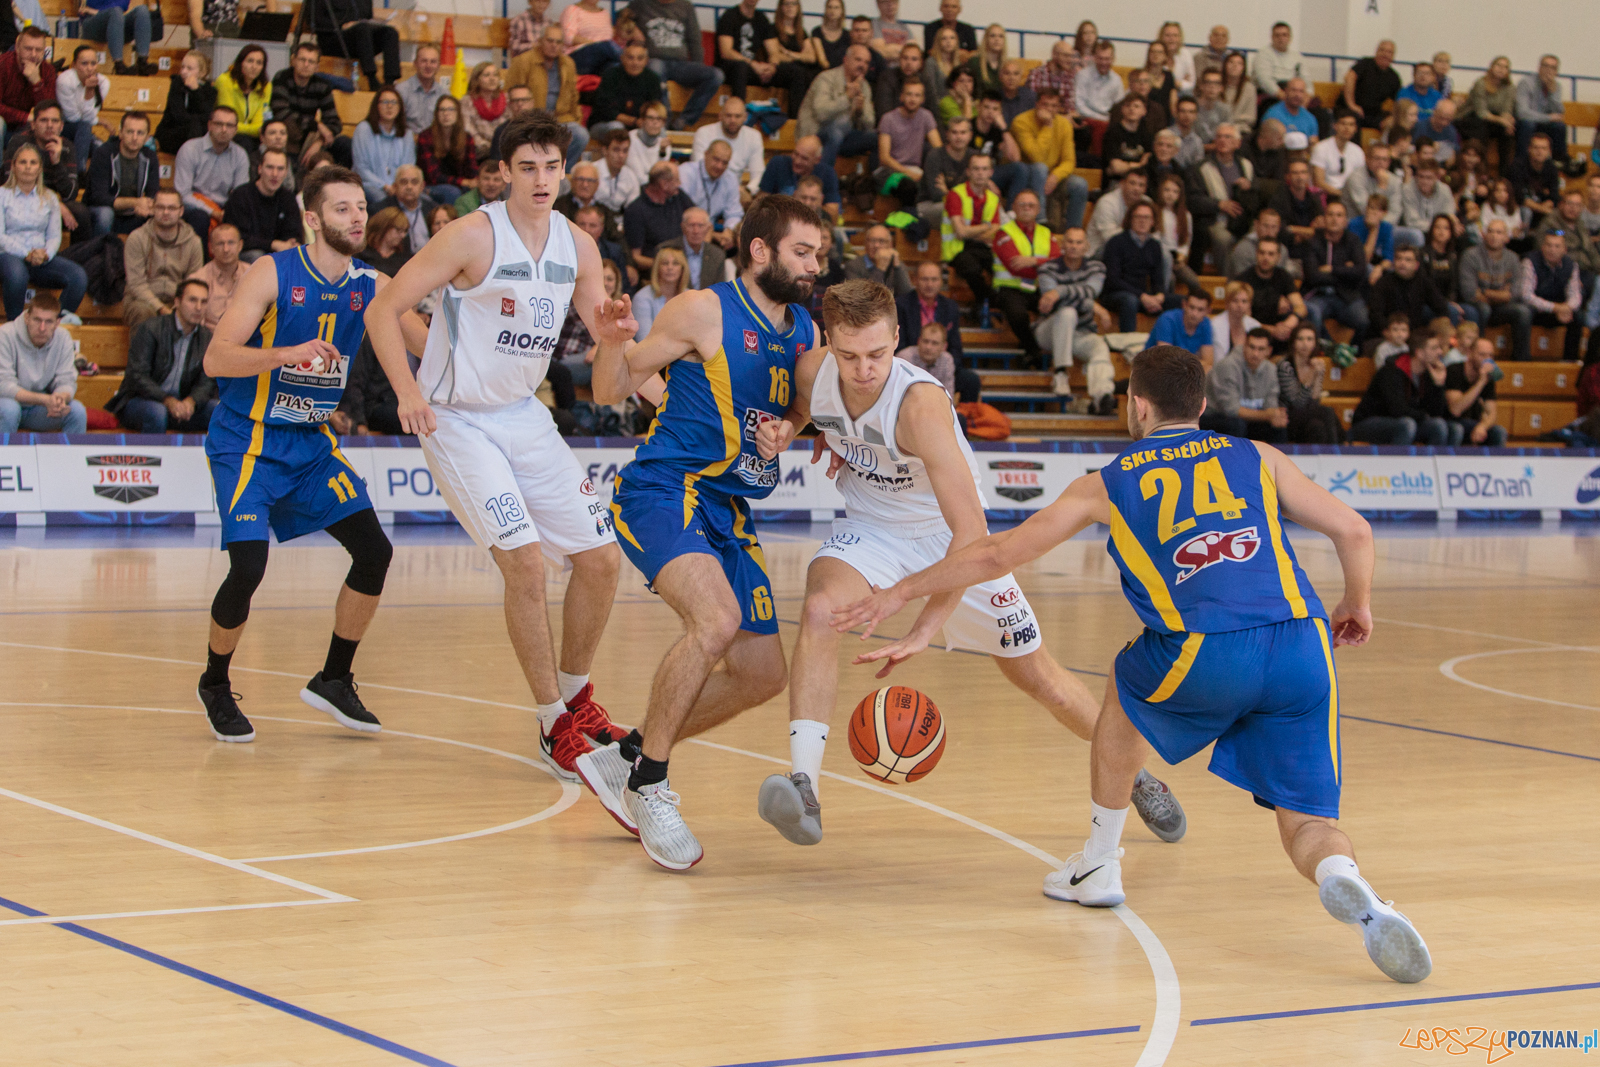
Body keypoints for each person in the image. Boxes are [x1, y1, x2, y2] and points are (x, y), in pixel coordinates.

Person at [837, 342, 1431, 984]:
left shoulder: (1106, 483)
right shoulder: (1258, 456)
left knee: (1123, 690)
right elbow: (1356, 532)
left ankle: (1098, 862)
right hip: (1303, 646)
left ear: (1136, 406)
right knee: (1310, 821)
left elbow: (993, 555)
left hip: (1205, 645)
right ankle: (1350, 883)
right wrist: (1357, 604)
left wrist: (901, 591)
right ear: (1203, 406)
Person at [757, 277, 1186, 847]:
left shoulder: (920, 406)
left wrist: (925, 624)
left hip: (953, 544)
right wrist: (795, 428)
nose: (864, 370)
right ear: (829, 342)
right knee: (819, 610)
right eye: (849, 355)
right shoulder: (813, 372)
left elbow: (971, 536)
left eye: (878, 355)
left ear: (898, 338)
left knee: (1044, 682)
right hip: (872, 530)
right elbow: (806, 404)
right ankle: (804, 785)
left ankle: (1139, 776)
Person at [365, 108, 632, 791]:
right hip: (455, 418)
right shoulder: (471, 235)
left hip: (524, 416)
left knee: (602, 561)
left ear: (565, 169)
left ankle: (574, 697)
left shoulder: (581, 247)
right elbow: (381, 310)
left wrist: (616, 337)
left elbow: (607, 367)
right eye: (527, 167)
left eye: (552, 166)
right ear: (504, 172)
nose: (542, 179)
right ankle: (552, 723)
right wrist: (407, 392)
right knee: (525, 565)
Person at [585, 195, 821, 868]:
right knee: (715, 620)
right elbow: (610, 388)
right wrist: (611, 341)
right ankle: (648, 783)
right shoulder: (702, 309)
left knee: (762, 673)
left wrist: (792, 428)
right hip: (665, 488)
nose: (813, 266)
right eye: (802, 252)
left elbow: (803, 400)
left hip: (729, 507)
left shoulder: (802, 328)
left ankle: (629, 751)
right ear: (760, 251)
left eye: (818, 255)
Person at [196, 165, 426, 743]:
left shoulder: (372, 285)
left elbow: (433, 344)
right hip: (247, 439)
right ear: (312, 217)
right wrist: (284, 353)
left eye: (360, 208)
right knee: (248, 566)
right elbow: (216, 360)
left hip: (311, 445)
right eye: (343, 208)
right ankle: (216, 684)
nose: (356, 218)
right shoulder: (271, 272)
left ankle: (334, 678)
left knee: (374, 552)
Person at [105, 277, 216, 433]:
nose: (198, 307)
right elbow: (137, 376)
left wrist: (191, 402)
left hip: (182, 406)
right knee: (157, 412)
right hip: (142, 402)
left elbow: (208, 380)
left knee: (217, 411)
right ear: (177, 302)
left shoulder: (207, 338)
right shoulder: (151, 329)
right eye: (192, 300)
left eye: (204, 302)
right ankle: (151, 458)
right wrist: (167, 400)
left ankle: (207, 458)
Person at [0, 140, 81, 322]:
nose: (28, 167)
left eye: (33, 163)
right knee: (17, 274)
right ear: (13, 167)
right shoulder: (2, 195)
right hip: (8, 256)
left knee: (77, 276)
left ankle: (55, 324)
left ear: (39, 168)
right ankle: (16, 325)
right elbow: (0, 236)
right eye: (22, 162)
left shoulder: (50, 198)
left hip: (40, 258)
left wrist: (45, 255)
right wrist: (26, 253)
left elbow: (54, 236)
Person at [1034, 226, 1112, 407]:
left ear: (1086, 246)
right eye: (1070, 241)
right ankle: (1060, 372)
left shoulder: (1097, 267)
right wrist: (1093, 306)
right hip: (1048, 331)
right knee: (1067, 312)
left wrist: (1059, 291)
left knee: (1099, 346)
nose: (1074, 246)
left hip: (1080, 332)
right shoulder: (1047, 268)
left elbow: (1091, 291)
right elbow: (1054, 302)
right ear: (1062, 244)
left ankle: (1102, 396)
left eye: (1079, 242)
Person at [627, 0, 723, 128]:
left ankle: (684, 121)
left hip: (680, 64)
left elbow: (694, 40)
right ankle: (663, 121)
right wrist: (633, 28)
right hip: (654, 59)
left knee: (716, 75)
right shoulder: (641, 3)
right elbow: (621, 16)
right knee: (655, 69)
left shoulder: (686, 6)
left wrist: (697, 67)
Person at [989, 189, 1058, 366]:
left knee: (1064, 307)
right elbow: (1015, 267)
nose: (1027, 208)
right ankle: (1033, 350)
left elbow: (1059, 264)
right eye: (1022, 204)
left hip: (1040, 289)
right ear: (1013, 208)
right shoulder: (1003, 233)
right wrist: (1044, 265)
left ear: (1038, 209)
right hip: (1010, 288)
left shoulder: (1047, 233)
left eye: (1031, 205)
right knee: (1018, 314)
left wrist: (1033, 261)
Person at [506, 25, 588, 170]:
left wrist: (577, 118)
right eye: (550, 41)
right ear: (540, 41)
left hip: (561, 118)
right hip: (533, 119)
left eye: (558, 42)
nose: (554, 45)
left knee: (581, 135)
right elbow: (511, 94)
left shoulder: (568, 64)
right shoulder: (523, 61)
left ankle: (562, 174)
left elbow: (574, 96)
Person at [0, 292, 83, 432]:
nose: (42, 328)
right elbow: (3, 386)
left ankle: (66, 454)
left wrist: (59, 399)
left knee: (77, 412)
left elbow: (67, 380)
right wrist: (45, 400)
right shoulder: (5, 335)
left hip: (37, 410)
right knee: (10, 410)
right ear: (27, 318)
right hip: (6, 404)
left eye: (48, 321)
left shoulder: (63, 338)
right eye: (37, 320)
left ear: (57, 323)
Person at [1350, 331, 1452, 444]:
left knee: (1443, 426)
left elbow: (1436, 414)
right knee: (1407, 424)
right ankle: (1398, 461)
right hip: (1369, 422)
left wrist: (1438, 385)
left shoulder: (1429, 373)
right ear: (1419, 353)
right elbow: (1397, 410)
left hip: (1405, 421)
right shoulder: (1392, 370)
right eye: (1434, 348)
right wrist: (1424, 415)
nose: (1440, 352)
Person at [124, 189, 203, 328]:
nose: (166, 212)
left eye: (172, 208)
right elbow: (136, 284)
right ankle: (141, 351)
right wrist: (161, 308)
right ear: (153, 209)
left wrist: (178, 307)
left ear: (181, 211)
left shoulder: (194, 242)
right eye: (160, 207)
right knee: (142, 311)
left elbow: (193, 283)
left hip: (178, 301)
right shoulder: (137, 238)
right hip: (142, 300)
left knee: (195, 310)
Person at [1011, 89, 1087, 233]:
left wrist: (1055, 176)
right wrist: (1048, 126)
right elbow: (1036, 157)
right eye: (1045, 105)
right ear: (1037, 104)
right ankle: (1040, 220)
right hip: (1028, 176)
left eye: (1054, 106)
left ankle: (1074, 232)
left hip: (1051, 176)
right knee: (1040, 168)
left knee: (1080, 184)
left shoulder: (1064, 125)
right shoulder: (1021, 121)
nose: (1049, 110)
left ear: (1059, 108)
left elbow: (1069, 161)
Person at [1102, 199, 1179, 333]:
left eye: (1147, 217)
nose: (1142, 221)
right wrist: (1142, 296)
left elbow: (1157, 279)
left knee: (1182, 302)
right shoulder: (1116, 242)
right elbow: (1113, 280)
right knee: (1130, 301)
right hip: (1116, 295)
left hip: (1143, 296)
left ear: (1153, 221)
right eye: (1138, 217)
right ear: (1130, 219)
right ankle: (1128, 345)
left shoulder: (1154, 245)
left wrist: (1159, 295)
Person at [173, 105, 249, 241]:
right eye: (219, 124)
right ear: (209, 125)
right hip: (194, 207)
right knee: (200, 218)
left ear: (236, 130)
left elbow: (240, 195)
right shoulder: (190, 149)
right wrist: (213, 212)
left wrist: (226, 212)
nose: (224, 130)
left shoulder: (240, 155)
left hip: (224, 209)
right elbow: (182, 194)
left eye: (229, 125)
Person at [1460, 217, 1531, 360]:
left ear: (1506, 237)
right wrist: (1502, 294)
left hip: (1501, 308)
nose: (1494, 236)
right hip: (1477, 306)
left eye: (1499, 232)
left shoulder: (1513, 258)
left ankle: (1521, 362)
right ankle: (1477, 356)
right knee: (1483, 309)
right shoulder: (1470, 255)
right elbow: (1469, 292)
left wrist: (1485, 292)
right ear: (1484, 235)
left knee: (1523, 311)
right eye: (1490, 231)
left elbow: (1516, 293)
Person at [797, 44, 876, 170]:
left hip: (844, 137)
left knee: (876, 138)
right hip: (816, 134)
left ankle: (873, 184)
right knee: (836, 131)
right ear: (846, 60)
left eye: (866, 62)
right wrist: (846, 98)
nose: (862, 65)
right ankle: (822, 180)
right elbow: (821, 114)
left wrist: (859, 112)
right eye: (858, 59)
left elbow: (870, 124)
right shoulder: (826, 78)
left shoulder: (864, 86)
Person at [1187, 123, 1254, 271]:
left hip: (1243, 220)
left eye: (1228, 137)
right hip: (1217, 221)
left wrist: (1250, 188)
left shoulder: (1246, 165)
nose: (1222, 140)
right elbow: (1193, 200)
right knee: (1223, 239)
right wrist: (1219, 204)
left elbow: (1255, 197)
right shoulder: (1200, 167)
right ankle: (1227, 281)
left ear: (1238, 143)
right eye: (1219, 137)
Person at [941, 152, 1002, 313]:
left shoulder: (993, 198)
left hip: (980, 247)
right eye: (976, 169)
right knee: (971, 268)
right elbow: (960, 233)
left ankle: (985, 302)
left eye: (984, 169)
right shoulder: (956, 194)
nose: (980, 173)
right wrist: (985, 226)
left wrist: (971, 232)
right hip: (957, 249)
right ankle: (991, 299)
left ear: (991, 172)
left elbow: (996, 230)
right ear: (968, 172)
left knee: (1001, 265)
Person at [1300, 201, 1369, 341]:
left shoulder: (1353, 241)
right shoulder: (1312, 242)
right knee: (1312, 313)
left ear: (1345, 221)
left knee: (1364, 320)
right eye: (1330, 214)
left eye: (1339, 215)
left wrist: (1332, 269)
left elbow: (1360, 272)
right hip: (1317, 294)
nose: (1334, 219)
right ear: (1324, 219)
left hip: (1345, 295)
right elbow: (1313, 276)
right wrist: (1346, 270)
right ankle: (1324, 351)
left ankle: (1355, 353)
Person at [85, 110, 158, 237]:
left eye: (140, 133)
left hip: (134, 213)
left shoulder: (150, 156)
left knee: (162, 213)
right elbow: (99, 197)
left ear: (147, 137)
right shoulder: (103, 153)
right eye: (130, 132)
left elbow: (153, 192)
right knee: (105, 214)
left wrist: (147, 206)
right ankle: (100, 253)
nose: (135, 138)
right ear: (120, 133)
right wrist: (135, 202)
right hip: (101, 211)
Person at [301, 0, 400, 91]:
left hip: (361, 42)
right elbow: (313, 20)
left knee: (390, 32)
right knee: (362, 28)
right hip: (333, 40)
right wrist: (341, 25)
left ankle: (389, 83)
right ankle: (371, 79)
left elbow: (367, 18)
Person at [222, 146, 300, 262]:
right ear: (259, 169)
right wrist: (273, 244)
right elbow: (238, 238)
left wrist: (291, 243)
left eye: (280, 169)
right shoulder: (241, 196)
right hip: (247, 254)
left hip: (279, 253)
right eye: (270, 167)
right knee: (258, 257)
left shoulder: (288, 198)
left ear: (286, 172)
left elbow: (294, 233)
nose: (275, 174)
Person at [1519, 228, 1584, 362]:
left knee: (1578, 316)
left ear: (1564, 249)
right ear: (1542, 247)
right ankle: (1522, 360)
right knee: (1523, 313)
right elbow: (1526, 295)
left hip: (1559, 311)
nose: (1552, 249)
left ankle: (1569, 362)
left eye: (1557, 246)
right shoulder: (1530, 261)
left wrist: (1566, 308)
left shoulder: (1571, 265)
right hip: (1537, 310)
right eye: (1548, 245)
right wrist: (1555, 308)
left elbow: (1575, 296)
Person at [624, 160, 693, 274]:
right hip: (656, 274)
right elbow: (636, 257)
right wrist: (667, 266)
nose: (679, 184)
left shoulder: (678, 196)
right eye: (676, 180)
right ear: (663, 184)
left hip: (684, 266)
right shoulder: (636, 210)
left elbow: (698, 216)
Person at [1235, 236, 1303, 348]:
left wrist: (1286, 326)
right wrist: (1273, 330)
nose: (1265, 258)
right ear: (1256, 254)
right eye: (1262, 253)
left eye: (1271, 254)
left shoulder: (1283, 276)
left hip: (1281, 333)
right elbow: (1243, 319)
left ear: (1278, 257)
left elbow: (1301, 307)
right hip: (1253, 335)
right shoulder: (1243, 279)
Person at [1278, 324, 1341, 443]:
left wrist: (1318, 375)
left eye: (1309, 339)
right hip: (1288, 417)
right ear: (1293, 342)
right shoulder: (1285, 366)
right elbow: (1297, 403)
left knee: (1317, 427)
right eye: (1300, 339)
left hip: (1308, 416)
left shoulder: (1316, 364)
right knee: (1327, 412)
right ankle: (1337, 452)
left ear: (1315, 343)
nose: (1305, 343)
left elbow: (1315, 400)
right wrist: (1312, 374)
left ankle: (1327, 457)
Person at [876, 81, 939, 198]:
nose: (912, 99)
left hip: (915, 170)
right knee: (908, 186)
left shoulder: (926, 116)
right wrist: (908, 173)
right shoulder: (888, 119)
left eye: (917, 95)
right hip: (890, 171)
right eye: (909, 94)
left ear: (922, 99)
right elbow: (884, 158)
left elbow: (938, 149)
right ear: (901, 97)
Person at [590, 41, 662, 143]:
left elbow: (655, 107)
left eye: (640, 58)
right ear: (622, 58)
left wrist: (646, 122)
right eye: (630, 58)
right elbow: (604, 110)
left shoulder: (652, 79)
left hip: (640, 125)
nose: (635, 63)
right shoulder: (610, 76)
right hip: (604, 124)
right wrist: (634, 121)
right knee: (617, 129)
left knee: (659, 130)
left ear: (646, 61)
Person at [351, 87, 413, 207]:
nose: (389, 106)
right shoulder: (364, 129)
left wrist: (398, 186)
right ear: (376, 106)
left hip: (399, 186)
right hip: (370, 185)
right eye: (385, 102)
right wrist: (385, 186)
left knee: (421, 200)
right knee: (384, 201)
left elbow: (408, 166)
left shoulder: (407, 133)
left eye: (394, 102)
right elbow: (361, 168)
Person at [895, 258, 964, 363]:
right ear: (915, 280)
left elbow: (955, 347)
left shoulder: (951, 307)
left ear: (941, 281)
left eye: (934, 279)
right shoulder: (901, 305)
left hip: (941, 364)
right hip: (909, 363)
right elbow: (899, 345)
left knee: (970, 379)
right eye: (925, 279)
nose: (930, 284)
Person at [692, 96, 765, 195]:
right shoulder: (703, 133)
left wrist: (748, 191)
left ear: (745, 117)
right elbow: (700, 169)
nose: (733, 120)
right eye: (728, 116)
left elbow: (758, 173)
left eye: (737, 116)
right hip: (706, 189)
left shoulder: (754, 137)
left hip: (738, 193)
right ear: (720, 116)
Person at [1370, 245, 1449, 332]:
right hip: (1388, 333)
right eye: (1399, 259)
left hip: (1415, 332)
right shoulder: (1383, 283)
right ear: (1394, 262)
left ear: (1416, 265)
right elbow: (1375, 314)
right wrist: (1390, 331)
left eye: (1408, 260)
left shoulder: (1423, 282)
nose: (1402, 263)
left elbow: (1441, 307)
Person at [1458, 58, 1516, 175]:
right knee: (1481, 127)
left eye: (1505, 67)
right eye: (1498, 65)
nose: (1501, 69)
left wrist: (1508, 123)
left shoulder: (1510, 87)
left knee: (1507, 131)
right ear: (1491, 67)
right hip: (1471, 117)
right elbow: (1481, 112)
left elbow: (1507, 109)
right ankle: (1480, 170)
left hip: (1493, 120)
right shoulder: (1481, 83)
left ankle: (1504, 173)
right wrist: (1502, 120)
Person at [415, 97, 477, 206]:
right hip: (431, 186)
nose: (446, 114)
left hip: (461, 185)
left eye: (451, 109)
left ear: (458, 113)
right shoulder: (426, 137)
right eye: (442, 110)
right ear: (436, 114)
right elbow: (433, 176)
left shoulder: (467, 138)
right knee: (453, 192)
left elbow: (472, 169)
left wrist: (475, 182)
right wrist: (462, 182)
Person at [679, 140, 742, 245]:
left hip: (712, 236)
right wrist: (712, 234)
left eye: (725, 162)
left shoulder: (730, 179)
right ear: (706, 154)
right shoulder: (686, 173)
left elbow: (734, 213)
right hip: (686, 232)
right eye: (716, 159)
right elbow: (680, 215)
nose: (719, 166)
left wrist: (729, 232)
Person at [1445, 337, 1506, 445]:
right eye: (1482, 355)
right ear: (1469, 353)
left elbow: (1492, 412)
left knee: (1499, 432)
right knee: (1457, 429)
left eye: (1491, 355)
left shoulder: (1488, 377)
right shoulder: (1454, 370)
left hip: (1473, 423)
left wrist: (1483, 426)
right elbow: (1456, 409)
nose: (1487, 360)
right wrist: (1481, 382)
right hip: (1450, 421)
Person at [56, 45, 107, 173]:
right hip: (63, 127)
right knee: (84, 127)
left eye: (93, 63)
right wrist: (99, 121)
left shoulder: (103, 82)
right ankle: (79, 172)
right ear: (74, 65)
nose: (90, 68)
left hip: (83, 131)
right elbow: (72, 117)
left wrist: (89, 91)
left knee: (100, 147)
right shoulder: (65, 81)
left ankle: (94, 184)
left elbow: (88, 118)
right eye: (84, 63)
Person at [156, 51, 216, 157]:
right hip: (172, 134)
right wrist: (196, 120)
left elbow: (207, 116)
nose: (184, 71)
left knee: (199, 128)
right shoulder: (176, 85)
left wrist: (195, 90)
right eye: (182, 67)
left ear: (202, 73)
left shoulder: (210, 91)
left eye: (189, 68)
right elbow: (178, 115)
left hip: (196, 135)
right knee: (195, 125)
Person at [213, 45, 270, 154]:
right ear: (240, 63)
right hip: (225, 132)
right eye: (250, 61)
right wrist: (253, 130)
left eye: (259, 63)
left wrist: (257, 130)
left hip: (249, 136)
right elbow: (227, 121)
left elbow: (260, 123)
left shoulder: (266, 86)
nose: (254, 66)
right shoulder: (225, 81)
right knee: (245, 142)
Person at [189, 223, 244, 331]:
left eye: (231, 243)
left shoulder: (254, 275)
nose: (226, 249)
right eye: (220, 244)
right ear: (211, 248)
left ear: (240, 246)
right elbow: (194, 324)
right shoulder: (198, 280)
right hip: (209, 341)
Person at [1515, 55, 1569, 166]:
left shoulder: (1556, 86)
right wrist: (1548, 117)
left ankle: (1558, 163)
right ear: (1539, 68)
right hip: (1525, 123)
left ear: (1556, 72)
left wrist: (1552, 93)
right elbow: (1522, 112)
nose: (1549, 70)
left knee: (1560, 127)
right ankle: (1521, 163)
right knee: (1528, 124)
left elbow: (1559, 114)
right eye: (1546, 66)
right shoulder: (1526, 83)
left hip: (1543, 124)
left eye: (1553, 68)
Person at [656, 205, 726, 289]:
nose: (696, 231)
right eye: (691, 225)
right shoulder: (666, 249)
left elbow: (719, 289)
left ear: (708, 228)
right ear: (683, 227)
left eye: (700, 226)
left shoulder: (717, 255)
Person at [78, 0, 153, 76]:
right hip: (93, 24)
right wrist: (99, 11)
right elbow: (86, 6)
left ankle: (142, 63)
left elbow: (123, 4)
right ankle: (119, 65)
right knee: (115, 12)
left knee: (142, 10)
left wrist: (95, 11)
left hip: (116, 22)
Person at [374, 165, 437, 254]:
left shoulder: (433, 209)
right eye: (404, 182)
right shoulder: (381, 211)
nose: (409, 187)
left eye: (414, 182)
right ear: (395, 186)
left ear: (422, 186)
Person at [1086, 169, 1146, 258]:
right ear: (1122, 184)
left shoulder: (1147, 203)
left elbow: (1155, 232)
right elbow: (1111, 239)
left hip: (1134, 248)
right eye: (1132, 183)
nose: (1137, 188)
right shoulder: (1106, 203)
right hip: (1098, 251)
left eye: (1141, 185)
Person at [1340, 40, 1398, 130]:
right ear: (1376, 52)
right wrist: (1352, 105)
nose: (1385, 54)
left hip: (1373, 114)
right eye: (1382, 50)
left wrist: (1393, 117)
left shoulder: (1394, 77)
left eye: (1389, 52)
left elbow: (1398, 100)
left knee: (1393, 122)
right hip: (1350, 109)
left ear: (1393, 56)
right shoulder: (1365, 64)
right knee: (1352, 120)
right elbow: (1349, 78)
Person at [632, 245, 687, 339]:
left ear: (683, 269)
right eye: (665, 263)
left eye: (675, 263)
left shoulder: (691, 296)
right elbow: (644, 339)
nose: (670, 267)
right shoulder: (642, 298)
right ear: (657, 268)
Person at [1342, 141, 1403, 227]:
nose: (1381, 163)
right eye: (1377, 158)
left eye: (1384, 159)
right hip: (1357, 226)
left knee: (1414, 235)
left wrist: (1384, 226)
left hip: (1386, 226)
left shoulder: (1395, 181)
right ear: (1367, 159)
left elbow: (1395, 211)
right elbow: (1368, 212)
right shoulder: (1355, 178)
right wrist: (1382, 187)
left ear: (1389, 162)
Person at [1267, 159, 1322, 252]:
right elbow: (1279, 229)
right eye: (1295, 173)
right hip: (1286, 248)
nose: (1300, 177)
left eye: (1303, 172)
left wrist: (1294, 229)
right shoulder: (1279, 198)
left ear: (1308, 176)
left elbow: (1321, 227)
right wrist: (1308, 231)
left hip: (1311, 249)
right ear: (1288, 176)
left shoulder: (1314, 199)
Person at [844, 222, 910, 294]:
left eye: (881, 241)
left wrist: (898, 267)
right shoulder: (853, 266)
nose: (876, 245)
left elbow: (907, 294)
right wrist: (879, 269)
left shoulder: (895, 264)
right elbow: (864, 298)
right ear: (865, 244)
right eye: (872, 240)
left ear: (890, 245)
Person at [396, 43, 447, 133]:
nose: (428, 66)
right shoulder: (401, 91)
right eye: (424, 61)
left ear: (439, 66)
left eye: (433, 62)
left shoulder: (444, 95)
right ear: (415, 64)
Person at [1311, 113, 1364, 197]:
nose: (1347, 128)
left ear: (1355, 129)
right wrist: (1341, 195)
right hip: (1327, 194)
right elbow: (1318, 181)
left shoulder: (1358, 151)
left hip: (1350, 194)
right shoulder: (1321, 148)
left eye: (1351, 125)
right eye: (1343, 124)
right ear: (1335, 126)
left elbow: (1361, 179)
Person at [1252, 22, 1304, 102]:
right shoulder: (1262, 54)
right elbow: (1265, 81)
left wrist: (1307, 96)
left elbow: (1306, 79)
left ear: (1290, 37)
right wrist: (1284, 96)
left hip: (1294, 93)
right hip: (1271, 95)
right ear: (1272, 37)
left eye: (1284, 35)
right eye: (1277, 35)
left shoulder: (1298, 57)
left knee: (1320, 112)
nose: (1281, 38)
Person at [595, 129, 642, 213]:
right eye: (616, 150)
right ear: (605, 150)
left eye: (625, 151)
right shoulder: (592, 171)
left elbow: (634, 209)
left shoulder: (631, 176)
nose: (621, 156)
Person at [1263, 78, 1318, 145]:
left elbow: (1314, 143)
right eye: (1293, 90)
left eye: (1301, 91)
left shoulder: (1310, 118)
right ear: (1286, 91)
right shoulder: (1272, 115)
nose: (1297, 95)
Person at [360, 204, 411, 277]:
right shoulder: (362, 253)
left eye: (405, 231)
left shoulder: (404, 256)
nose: (403, 235)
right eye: (398, 230)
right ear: (384, 227)